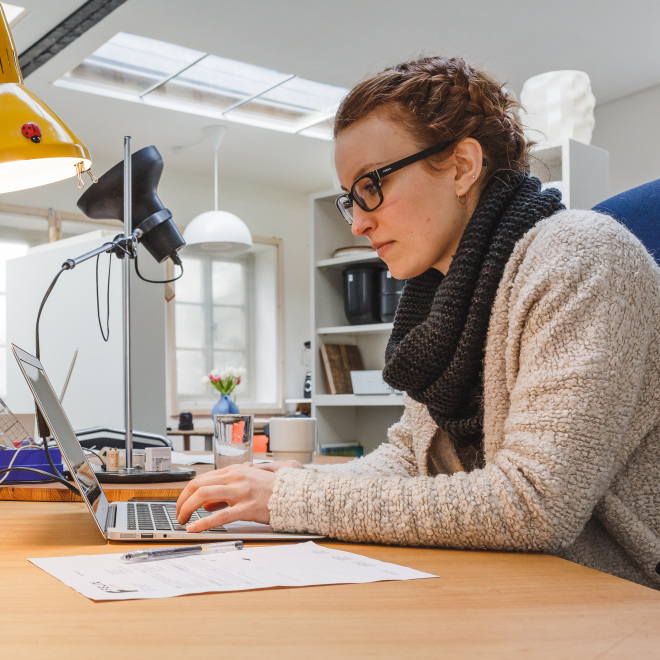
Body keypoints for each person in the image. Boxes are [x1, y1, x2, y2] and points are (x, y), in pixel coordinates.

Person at [177, 56, 660, 589]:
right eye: (349, 199)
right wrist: (291, 480)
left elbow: (537, 504)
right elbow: (409, 458)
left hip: (612, 597)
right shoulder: (446, 295)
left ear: (460, 167)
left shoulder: (581, 257)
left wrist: (294, 498)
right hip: (510, 585)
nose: (359, 221)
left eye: (371, 185)